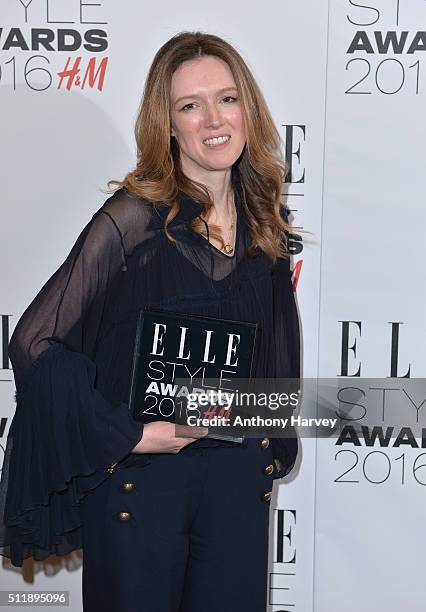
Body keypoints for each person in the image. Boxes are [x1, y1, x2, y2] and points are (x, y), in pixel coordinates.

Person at [0, 31, 301, 612]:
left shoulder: (265, 220)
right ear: (167, 124)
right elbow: (34, 343)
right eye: (191, 105)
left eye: (228, 98)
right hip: (143, 484)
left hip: (235, 482)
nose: (214, 118)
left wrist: (270, 438)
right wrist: (132, 435)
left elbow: (275, 354)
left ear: (248, 110)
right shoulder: (132, 220)